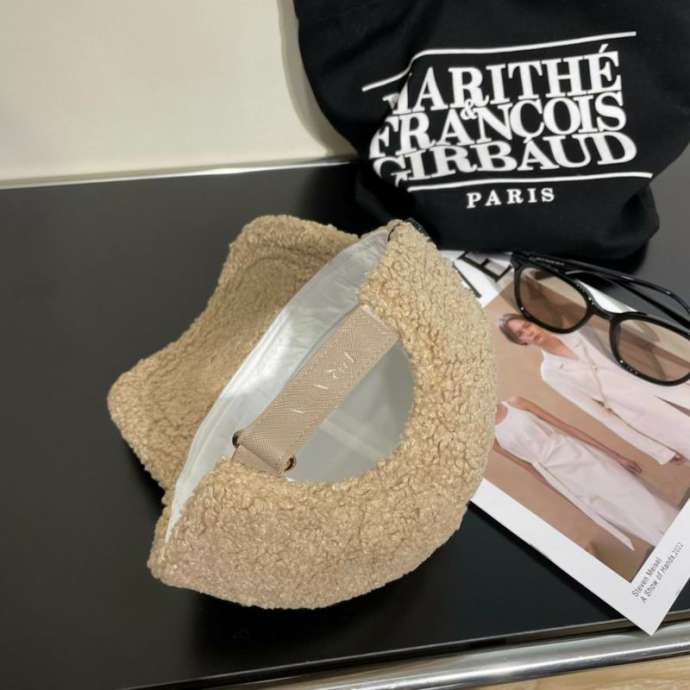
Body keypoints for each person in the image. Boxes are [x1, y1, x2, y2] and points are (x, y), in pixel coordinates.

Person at [498, 314, 690, 465]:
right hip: (645, 415)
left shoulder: (581, 333)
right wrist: (658, 451)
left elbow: (640, 355)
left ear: (534, 321)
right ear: (521, 342)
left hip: (663, 387)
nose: (528, 332)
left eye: (526, 325)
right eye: (520, 334)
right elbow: (600, 415)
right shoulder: (550, 373)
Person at [494, 398, 679, 549]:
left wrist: (617, 456)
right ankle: (672, 550)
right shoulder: (490, 437)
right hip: (561, 477)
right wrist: (568, 498)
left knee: (636, 494)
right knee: (619, 513)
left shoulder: (516, 403)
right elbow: (528, 468)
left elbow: (568, 428)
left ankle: (680, 531)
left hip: (579, 454)